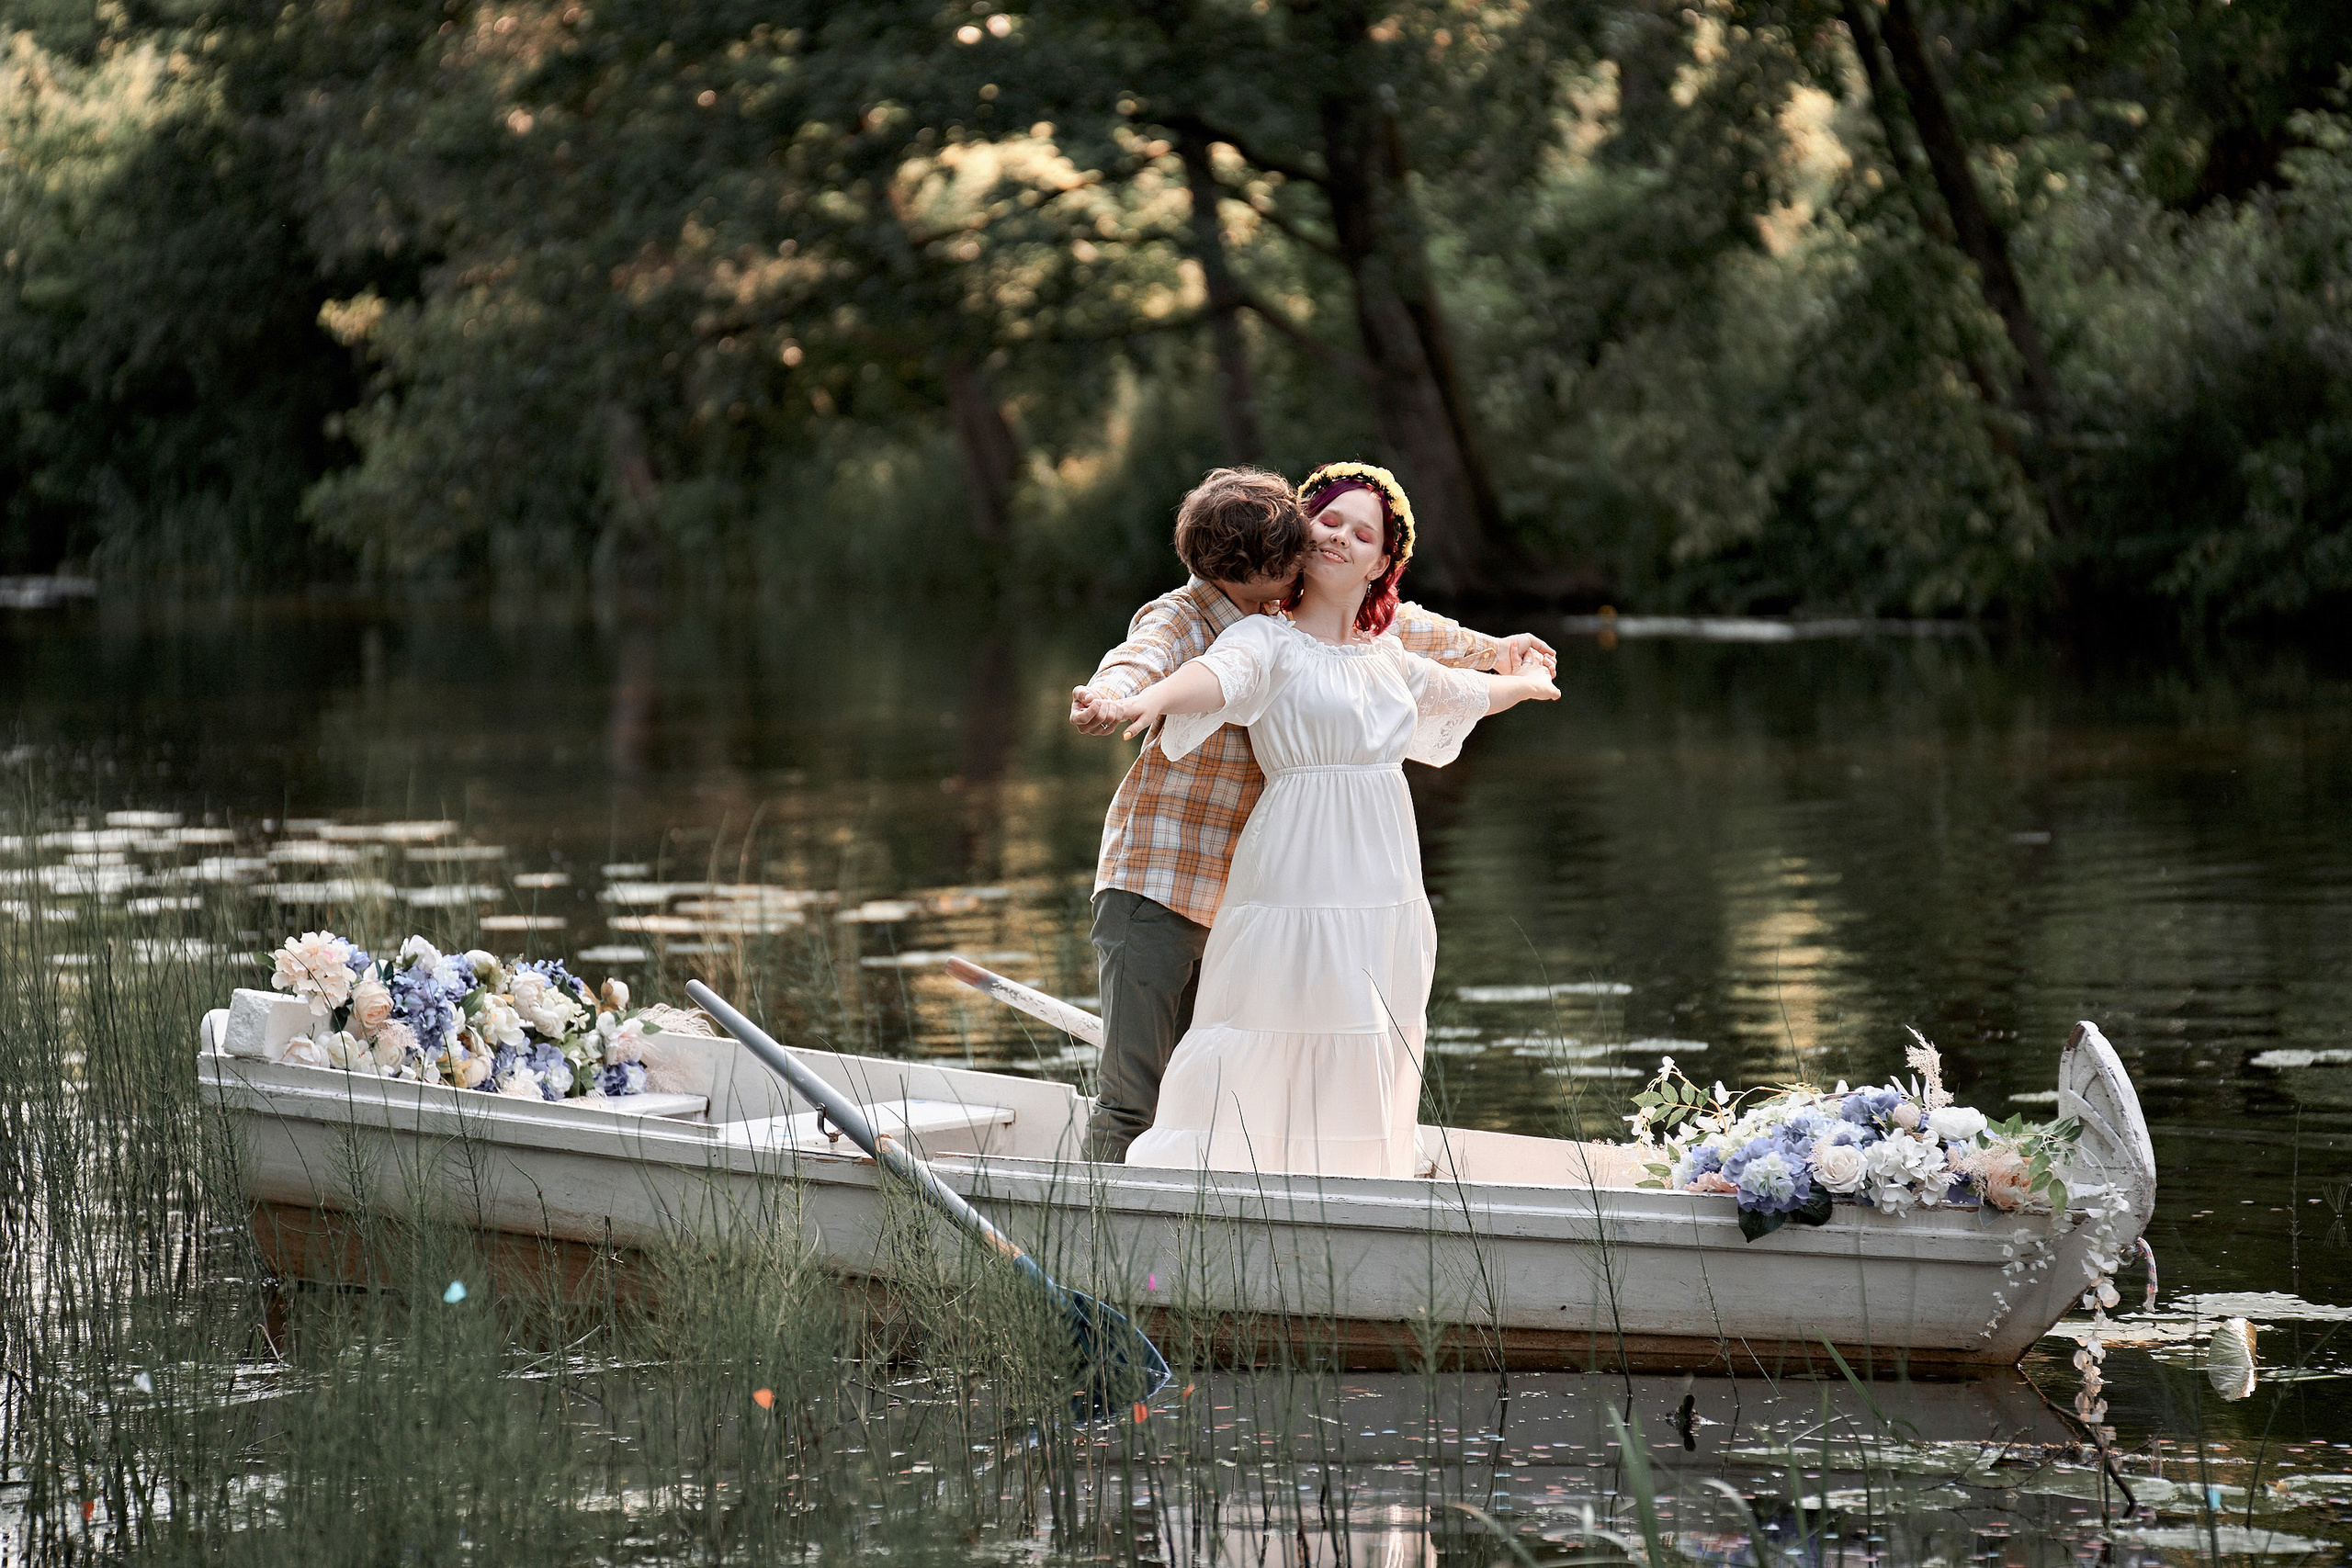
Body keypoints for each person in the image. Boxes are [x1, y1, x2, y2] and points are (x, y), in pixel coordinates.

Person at [1082, 463, 1559, 1177]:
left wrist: (1513, 670)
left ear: (1381, 564)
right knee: (1147, 1095)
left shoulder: (1376, 648)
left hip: (1343, 885)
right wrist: (1130, 700)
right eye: (1328, 521)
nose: (1337, 537)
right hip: (1166, 877)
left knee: (1340, 1034)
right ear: (1297, 535)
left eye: (1361, 532)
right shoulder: (1236, 629)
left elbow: (1442, 669)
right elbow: (1180, 668)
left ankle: (1318, 1195)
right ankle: (1105, 1253)